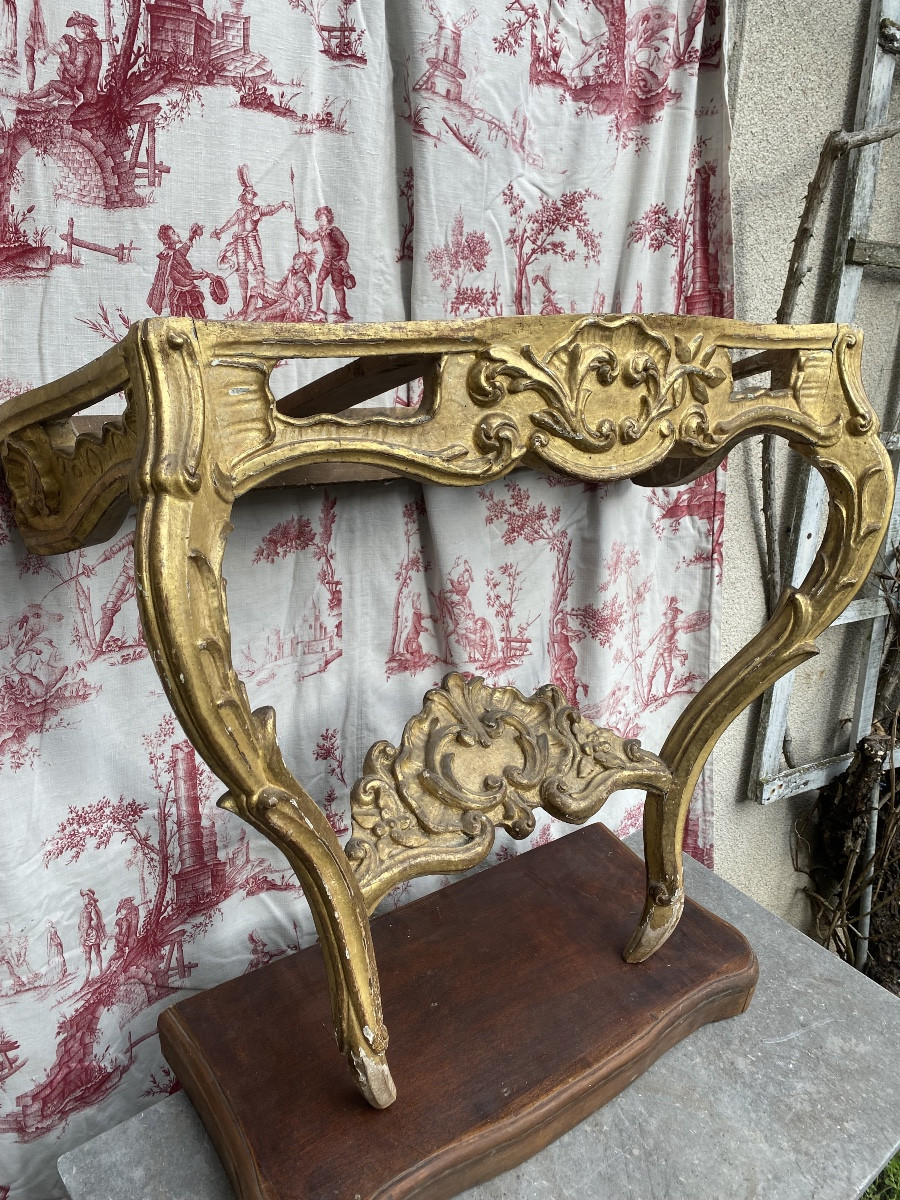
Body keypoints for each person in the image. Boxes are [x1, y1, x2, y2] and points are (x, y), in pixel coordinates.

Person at [212, 165, 291, 317]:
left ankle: (260, 302)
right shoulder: (240, 212)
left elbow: (270, 209)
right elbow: (230, 223)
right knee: (242, 273)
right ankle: (244, 306)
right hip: (241, 242)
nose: (252, 196)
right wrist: (219, 232)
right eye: (249, 193)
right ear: (243, 196)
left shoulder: (257, 210)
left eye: (252, 194)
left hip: (253, 240)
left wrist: (282, 204)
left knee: (259, 270)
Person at [296, 205, 354, 322]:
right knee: (319, 282)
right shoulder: (320, 232)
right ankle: (317, 308)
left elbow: (345, 244)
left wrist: (343, 259)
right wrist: (300, 229)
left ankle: (343, 311)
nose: (321, 221)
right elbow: (310, 237)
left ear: (328, 219)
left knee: (338, 287)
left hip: (337, 263)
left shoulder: (334, 231)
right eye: (319, 219)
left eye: (323, 218)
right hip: (327, 262)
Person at [147, 224, 209, 318]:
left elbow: (182, 251)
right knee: (196, 319)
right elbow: (186, 273)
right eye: (173, 233)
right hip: (181, 294)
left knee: (178, 322)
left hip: (180, 293)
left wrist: (191, 237)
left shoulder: (169, 252)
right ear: (169, 240)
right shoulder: (173, 255)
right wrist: (205, 274)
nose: (177, 234)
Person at [78, 887, 106, 980]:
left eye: (85, 898)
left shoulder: (93, 909)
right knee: (87, 956)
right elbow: (80, 924)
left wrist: (89, 927)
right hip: (85, 936)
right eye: (83, 899)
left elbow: (95, 921)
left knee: (97, 952)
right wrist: (82, 934)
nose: (83, 900)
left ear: (90, 899)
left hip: (93, 934)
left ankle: (101, 971)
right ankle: (87, 977)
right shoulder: (82, 911)